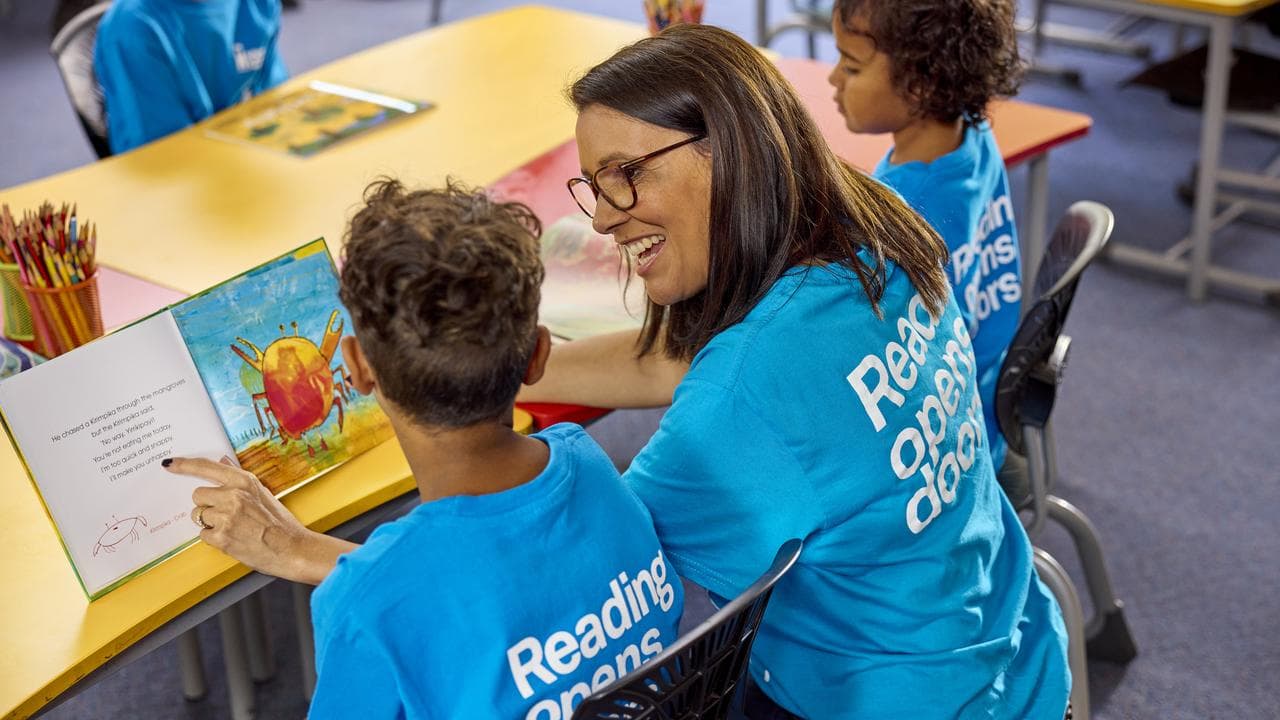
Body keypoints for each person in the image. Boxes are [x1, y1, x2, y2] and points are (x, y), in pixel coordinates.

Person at [166, 23, 1069, 720]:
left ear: (728, 151)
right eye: (594, 185)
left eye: (624, 174)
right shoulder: (877, 235)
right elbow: (693, 363)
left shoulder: (737, 409)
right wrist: (467, 361)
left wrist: (304, 552)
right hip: (1012, 646)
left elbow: (543, 587)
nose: (602, 219)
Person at [164, 179, 682, 719]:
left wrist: (336, 569)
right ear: (537, 356)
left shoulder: (369, 608)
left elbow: (432, 591)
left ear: (357, 368)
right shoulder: (593, 468)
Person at [828, 0, 1024, 473]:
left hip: (942, 440)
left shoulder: (903, 210)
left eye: (851, 66)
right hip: (988, 394)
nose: (833, 79)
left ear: (920, 85)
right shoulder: (974, 135)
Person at [94, 0, 289, 154]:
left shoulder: (257, 5)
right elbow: (164, 154)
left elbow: (275, 102)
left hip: (247, 154)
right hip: (182, 173)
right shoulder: (133, 28)